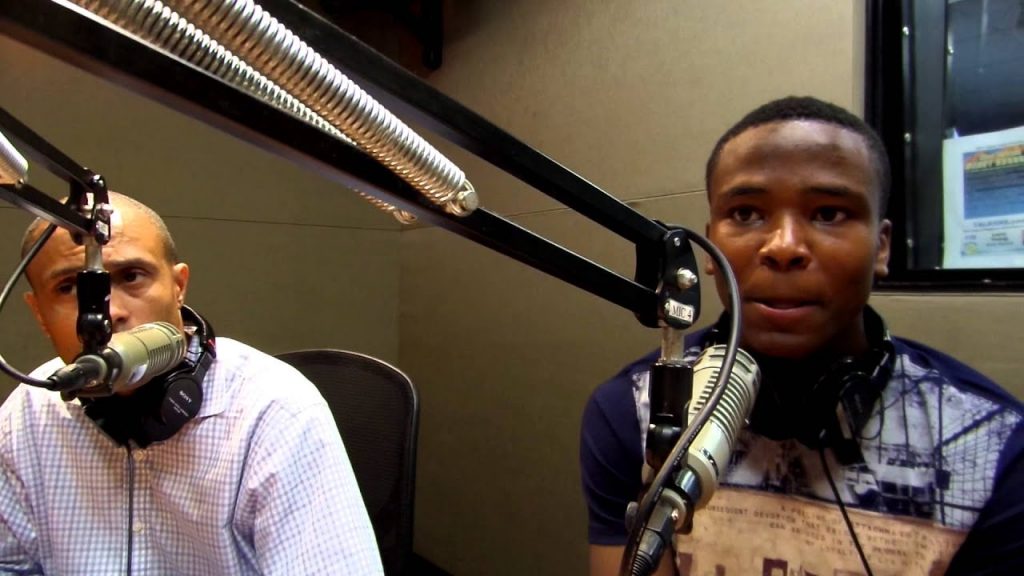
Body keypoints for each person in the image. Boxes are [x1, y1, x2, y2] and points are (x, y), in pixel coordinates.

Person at [580, 96, 1024, 575]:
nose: (783, 247)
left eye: (829, 213)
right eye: (747, 214)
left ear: (881, 245)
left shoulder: (995, 447)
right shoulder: (634, 413)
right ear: (708, 249)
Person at [0, 192, 384, 574]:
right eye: (70, 288)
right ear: (38, 312)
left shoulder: (275, 410)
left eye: (132, 277)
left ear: (178, 285)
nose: (108, 313)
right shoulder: (27, 414)